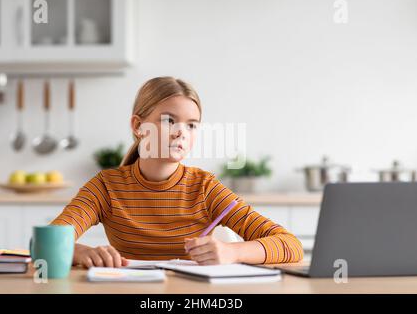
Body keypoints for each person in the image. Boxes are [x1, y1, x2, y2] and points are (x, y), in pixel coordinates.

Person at [50, 76, 303, 268]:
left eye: (192, 125)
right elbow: (44, 242)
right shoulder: (106, 187)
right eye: (169, 120)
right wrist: (80, 252)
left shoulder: (205, 187)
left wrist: (231, 252)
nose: (181, 132)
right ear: (138, 126)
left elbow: (290, 245)